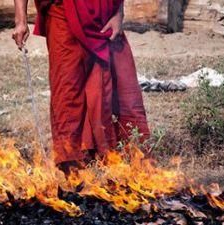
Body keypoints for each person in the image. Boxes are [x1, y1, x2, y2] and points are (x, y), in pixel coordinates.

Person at [12, 0, 150, 171]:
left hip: (103, 15)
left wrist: (118, 13)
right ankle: (70, 160)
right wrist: (20, 20)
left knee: (115, 87)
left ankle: (112, 153)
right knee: (67, 88)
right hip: (63, 11)